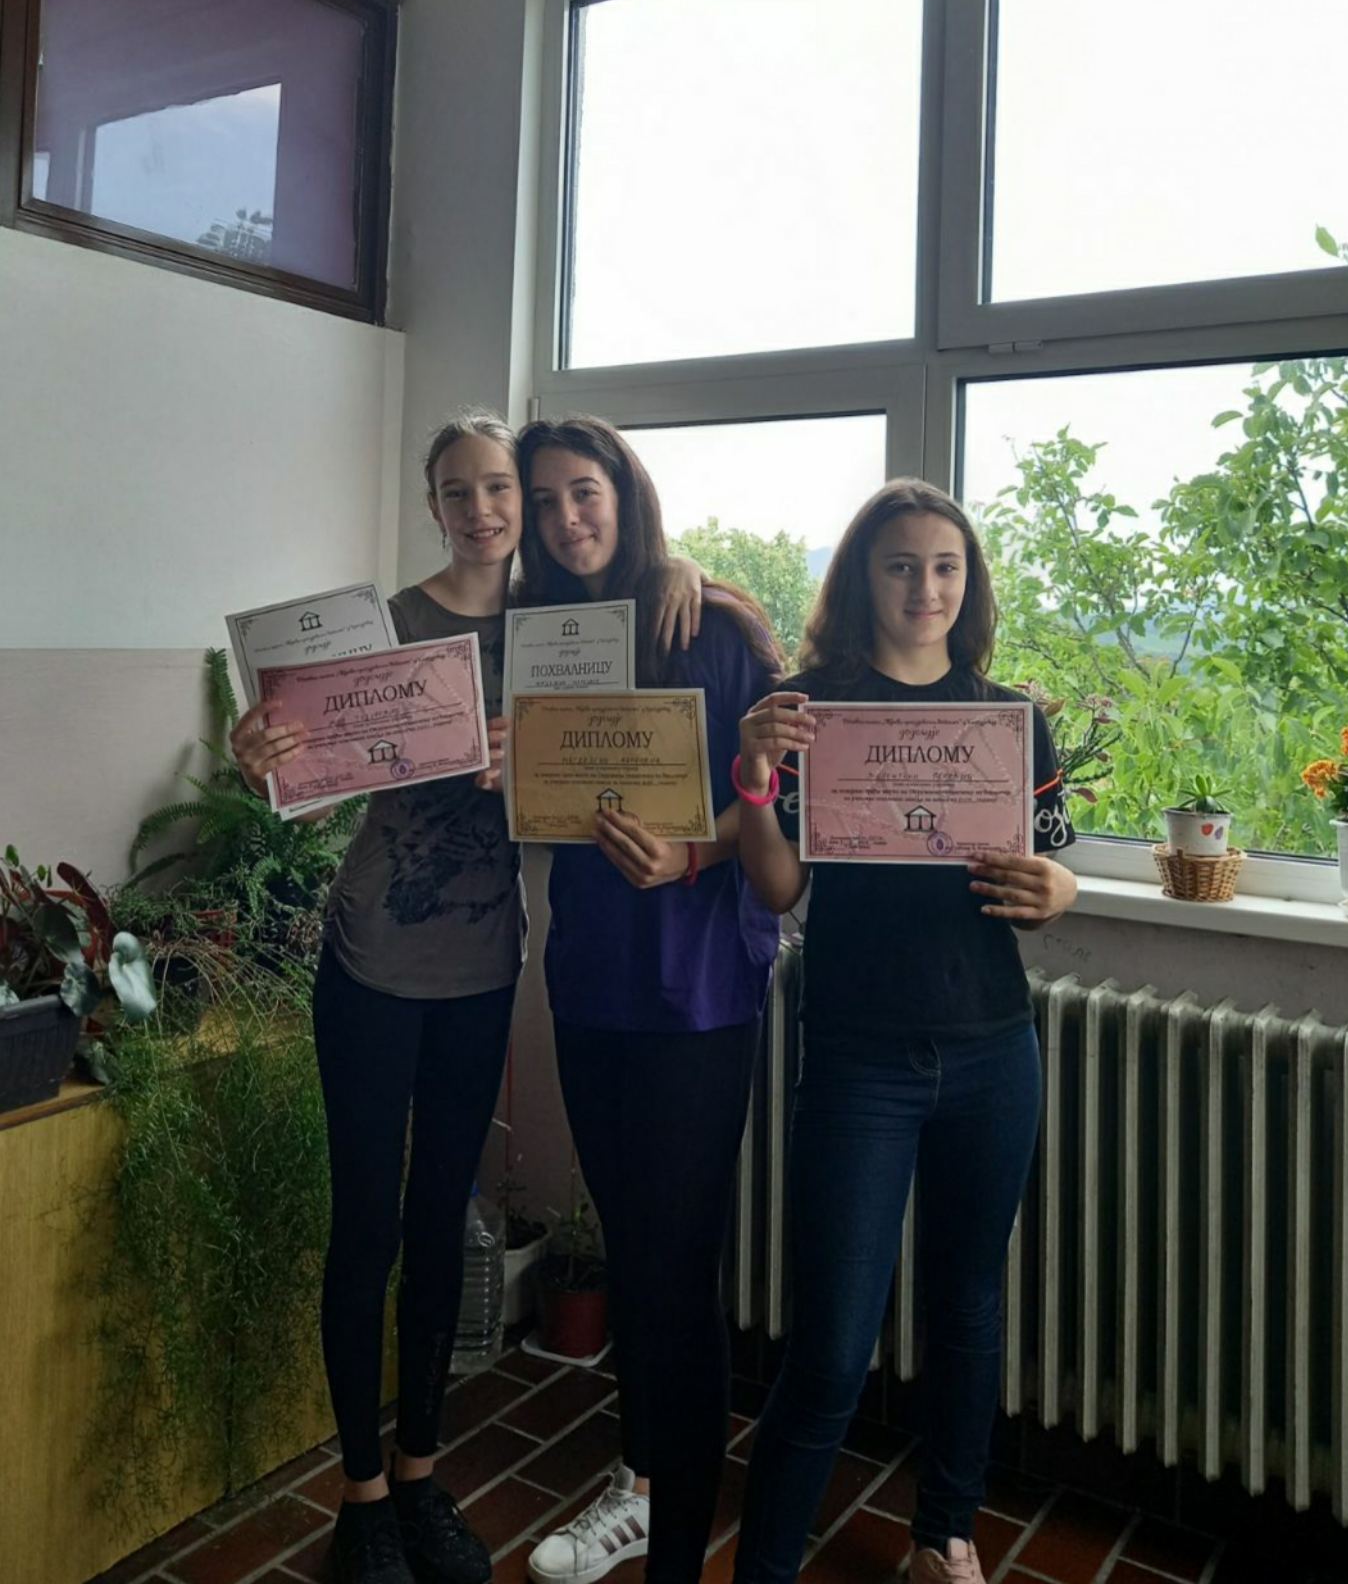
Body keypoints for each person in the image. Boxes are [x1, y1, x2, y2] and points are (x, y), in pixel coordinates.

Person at [230, 410, 702, 1584]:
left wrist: (686, 570)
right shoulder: (383, 627)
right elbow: (307, 769)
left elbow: (626, 717)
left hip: (486, 968)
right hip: (370, 961)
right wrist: (264, 751)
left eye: (503, 488)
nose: (486, 510)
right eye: (460, 490)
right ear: (433, 504)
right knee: (367, 1227)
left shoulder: (564, 627)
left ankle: (422, 1474)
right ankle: (361, 1495)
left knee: (443, 1222)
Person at [729, 478, 1079, 1584]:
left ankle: (946, 1536)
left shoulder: (1013, 719)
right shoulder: (805, 712)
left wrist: (1060, 891)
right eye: (900, 565)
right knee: (833, 1347)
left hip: (992, 1047)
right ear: (861, 579)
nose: (925, 587)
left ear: (968, 582)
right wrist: (751, 779)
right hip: (858, 1057)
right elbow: (780, 889)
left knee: (969, 1310)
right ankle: (766, 1564)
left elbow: (1051, 865)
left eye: (945, 566)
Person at [511, 416, 783, 1584]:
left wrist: (692, 854)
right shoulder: (541, 639)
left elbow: (783, 786)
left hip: (699, 993)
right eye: (544, 502)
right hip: (592, 984)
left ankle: (678, 1547)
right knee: (634, 1253)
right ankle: (640, 1482)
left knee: (679, 1272)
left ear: (627, 495)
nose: (566, 518)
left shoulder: (709, 624)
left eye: (586, 492)